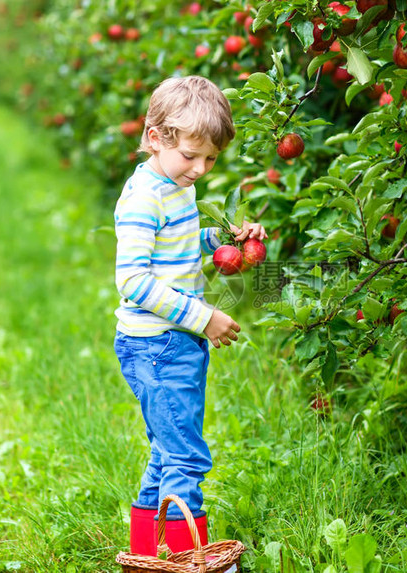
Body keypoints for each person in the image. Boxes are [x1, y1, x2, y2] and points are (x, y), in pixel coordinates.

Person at [112, 75, 267, 555]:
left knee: (166, 452)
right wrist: (203, 318)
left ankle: (145, 556)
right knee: (186, 457)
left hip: (173, 344)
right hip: (157, 346)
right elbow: (134, 282)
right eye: (191, 156)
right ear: (155, 139)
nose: (200, 169)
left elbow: (174, 249)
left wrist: (222, 240)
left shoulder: (173, 183)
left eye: (211, 159)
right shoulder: (144, 198)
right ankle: (187, 561)